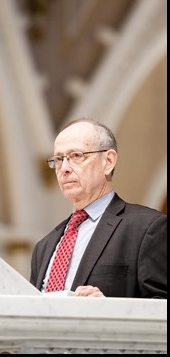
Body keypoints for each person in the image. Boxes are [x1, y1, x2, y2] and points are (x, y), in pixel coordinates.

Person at [30, 117, 167, 298]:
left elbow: (160, 310)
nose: (64, 168)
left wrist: (107, 310)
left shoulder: (148, 228)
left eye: (76, 156)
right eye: (58, 159)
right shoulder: (44, 247)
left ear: (108, 161)